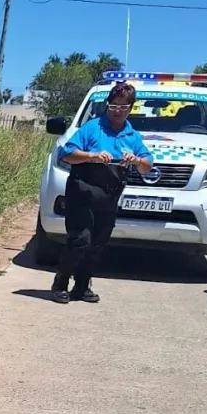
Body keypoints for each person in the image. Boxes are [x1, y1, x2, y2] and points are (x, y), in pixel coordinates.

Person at [51, 81, 153, 304]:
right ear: (108, 105)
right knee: (80, 241)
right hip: (83, 191)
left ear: (131, 108)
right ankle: (61, 282)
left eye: (123, 107)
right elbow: (67, 155)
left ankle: (82, 286)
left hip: (109, 195)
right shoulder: (92, 128)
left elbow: (147, 165)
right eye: (113, 106)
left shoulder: (132, 136)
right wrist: (92, 156)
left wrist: (135, 160)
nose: (117, 111)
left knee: (97, 244)